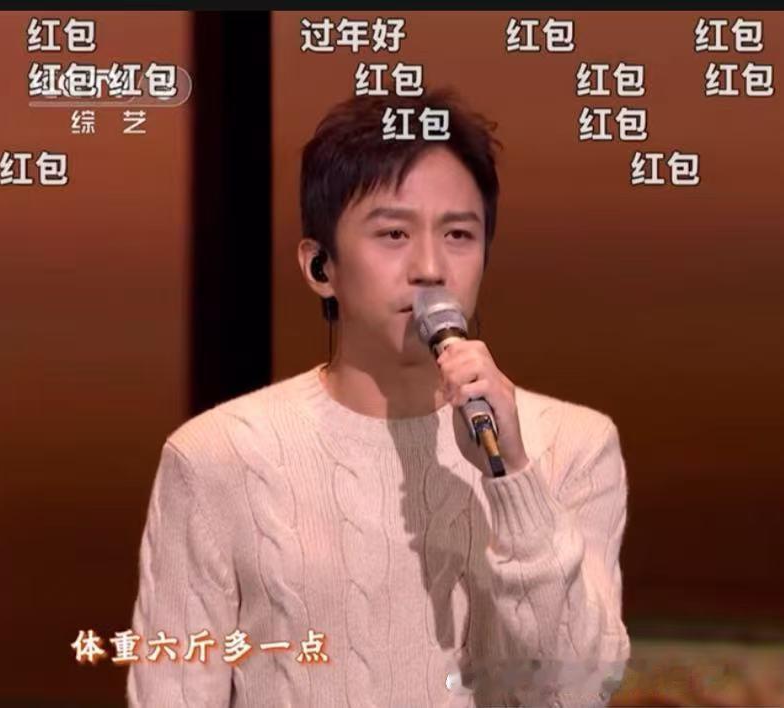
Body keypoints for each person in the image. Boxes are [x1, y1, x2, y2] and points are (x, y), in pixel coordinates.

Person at [126, 88, 631, 707]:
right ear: (321, 267)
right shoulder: (215, 455)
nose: (430, 268)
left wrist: (513, 477)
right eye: (393, 233)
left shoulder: (575, 445)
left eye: (459, 235)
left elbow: (583, 690)